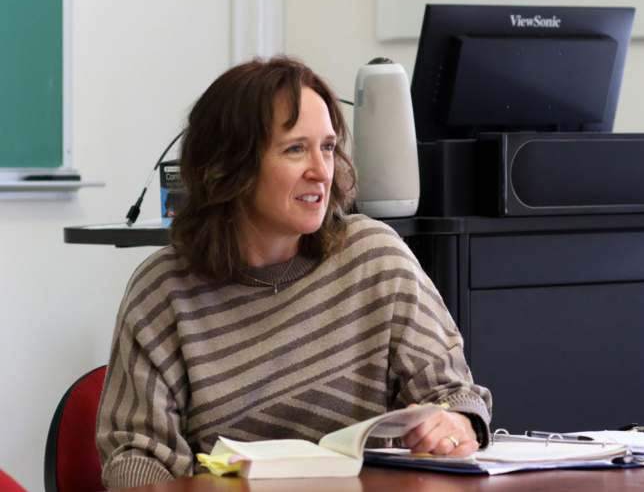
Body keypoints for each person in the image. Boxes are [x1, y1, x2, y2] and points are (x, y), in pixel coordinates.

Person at [95, 56, 492, 489]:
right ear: (228, 167)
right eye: (295, 149)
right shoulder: (163, 291)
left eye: (328, 147)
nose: (321, 172)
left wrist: (453, 424)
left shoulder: (375, 257)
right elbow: (137, 457)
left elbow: (453, 396)